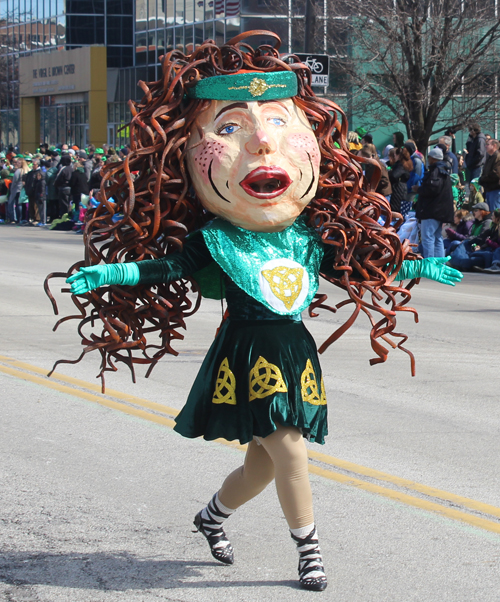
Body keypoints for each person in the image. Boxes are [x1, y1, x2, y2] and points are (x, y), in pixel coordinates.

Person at [49, 32, 462, 593]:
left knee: (262, 467)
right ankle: (309, 551)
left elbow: (354, 269)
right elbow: (163, 268)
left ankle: (211, 517)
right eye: (229, 127)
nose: (264, 145)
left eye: (280, 122)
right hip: (246, 354)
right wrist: (107, 273)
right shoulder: (217, 238)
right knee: (289, 449)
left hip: (294, 351)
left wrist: (416, 269)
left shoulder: (306, 235)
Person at [414, 147, 454, 257]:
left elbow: (432, 189)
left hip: (432, 210)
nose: (428, 159)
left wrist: (419, 189)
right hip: (440, 210)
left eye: (429, 157)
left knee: (428, 237)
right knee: (437, 238)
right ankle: (440, 264)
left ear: (433, 158)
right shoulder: (444, 170)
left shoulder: (436, 171)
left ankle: (430, 264)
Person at [388, 146, 411, 214]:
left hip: (398, 189)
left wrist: (389, 173)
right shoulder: (407, 163)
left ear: (398, 155)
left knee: (395, 210)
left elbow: (394, 176)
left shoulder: (400, 164)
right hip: (402, 188)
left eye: (395, 154)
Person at [478, 138, 500, 212]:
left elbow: (496, 174)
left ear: (494, 145)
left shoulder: (498, 157)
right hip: (489, 189)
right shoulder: (489, 157)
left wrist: (483, 179)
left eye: (487, 144)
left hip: (495, 190)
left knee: (495, 213)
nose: (485, 146)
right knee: (490, 213)